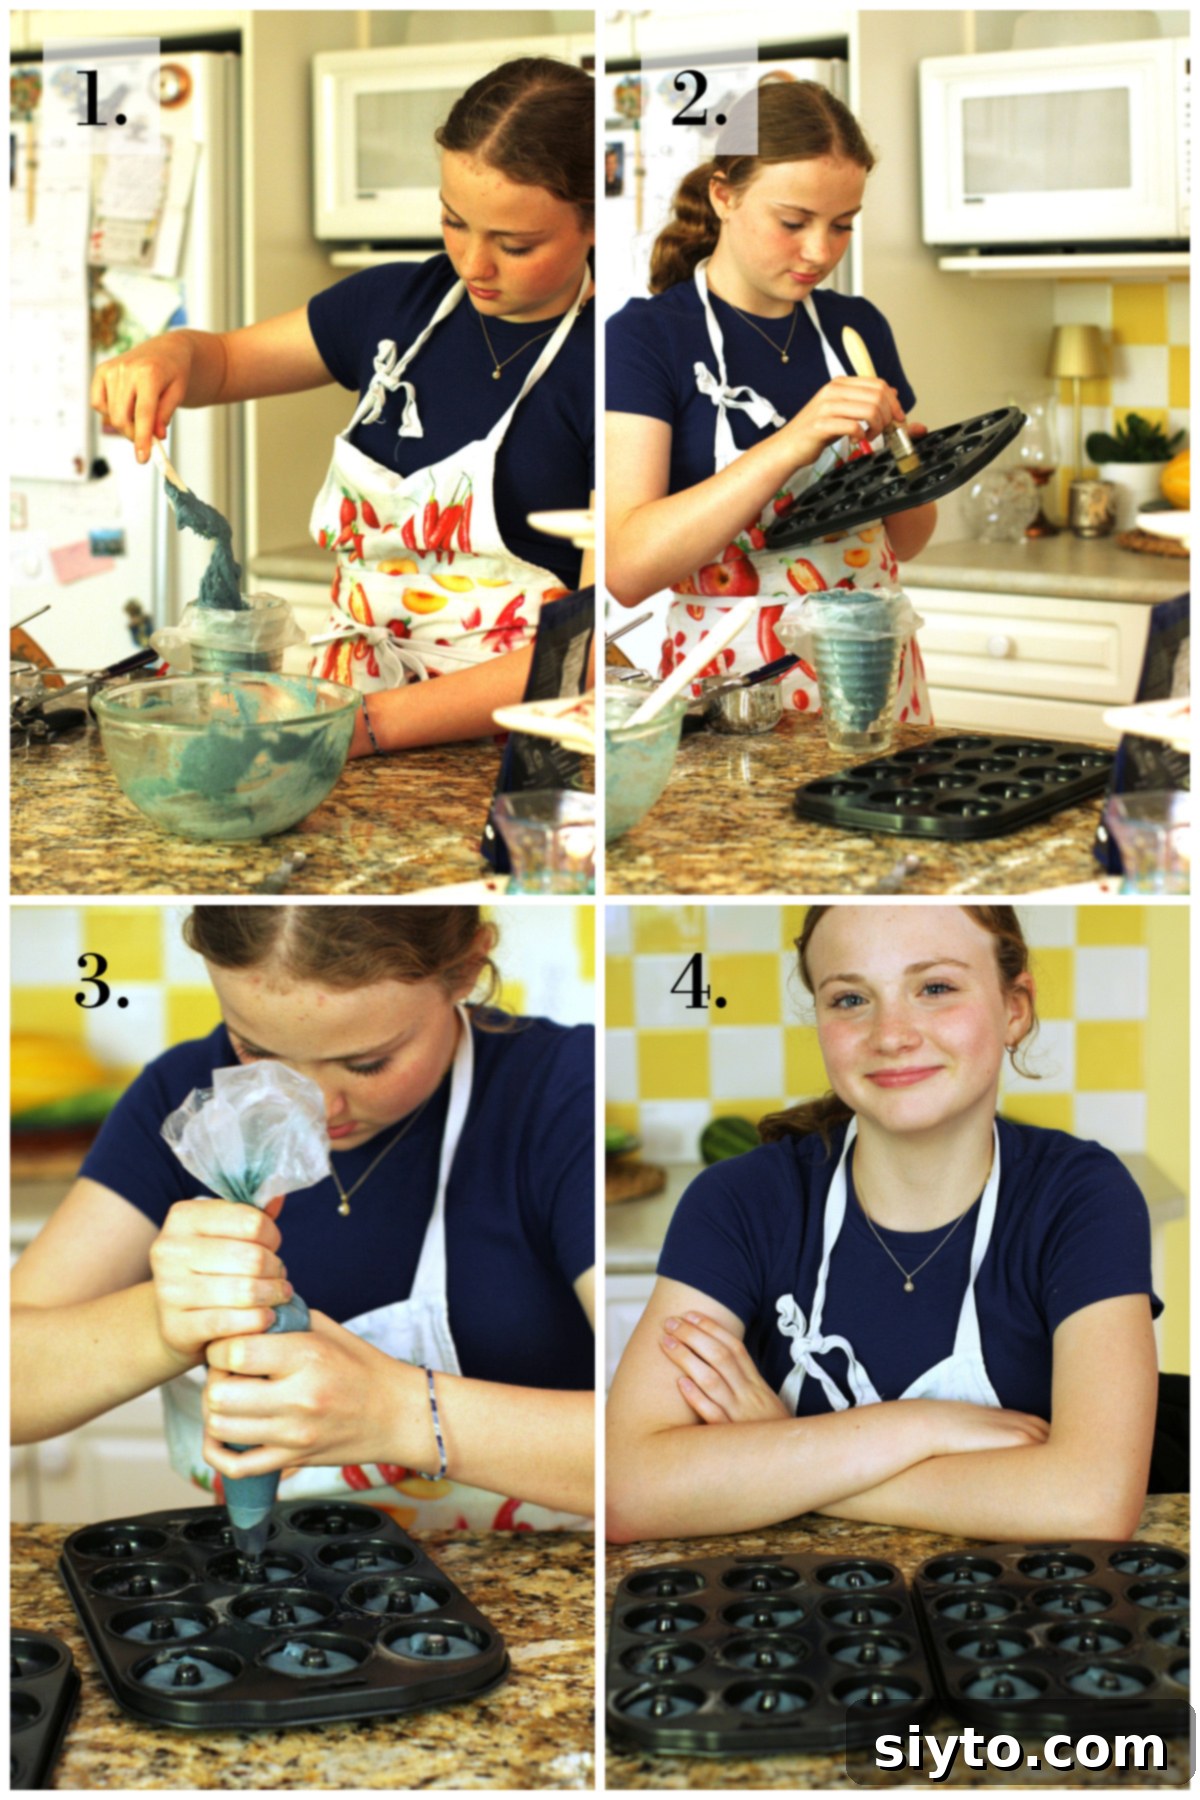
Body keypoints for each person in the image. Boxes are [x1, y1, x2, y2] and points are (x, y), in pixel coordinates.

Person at [13, 907, 594, 1530]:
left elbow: (649, 1449)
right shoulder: (185, 1101)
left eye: (367, 1063)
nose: (314, 1107)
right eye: (257, 1052)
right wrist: (164, 1321)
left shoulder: (560, 1092)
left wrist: (400, 1413)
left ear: (466, 969)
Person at [91, 57, 595, 758]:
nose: (473, 263)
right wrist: (163, 357)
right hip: (341, 728)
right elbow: (225, 361)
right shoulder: (391, 307)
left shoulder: (615, 369)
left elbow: (599, 646)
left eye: (515, 245)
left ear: (595, 223)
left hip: (504, 750)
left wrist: (368, 723)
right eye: (454, 222)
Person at [607, 904, 1158, 1543]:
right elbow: (626, 1485)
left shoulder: (1080, 1198)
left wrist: (780, 1454)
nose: (890, 1034)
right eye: (849, 999)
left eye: (935, 988)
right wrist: (919, 1428)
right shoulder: (741, 1201)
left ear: (1015, 1007)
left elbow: (1090, 1504)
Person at [606, 80, 934, 719]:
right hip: (732, 688)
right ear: (724, 196)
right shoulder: (645, 337)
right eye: (793, 222)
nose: (820, 251)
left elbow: (910, 541)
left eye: (842, 225)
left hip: (873, 676)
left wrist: (907, 466)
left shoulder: (855, 327)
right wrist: (793, 441)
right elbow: (628, 567)